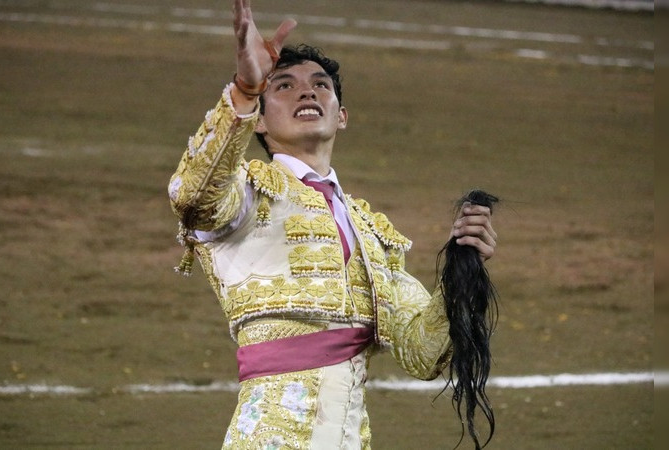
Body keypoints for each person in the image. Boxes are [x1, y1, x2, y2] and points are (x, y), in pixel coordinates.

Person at [168, 1, 497, 448]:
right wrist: (245, 90)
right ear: (260, 120)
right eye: (283, 85)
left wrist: (464, 263)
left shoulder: (371, 231)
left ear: (341, 114)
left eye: (320, 85)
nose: (307, 93)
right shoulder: (246, 193)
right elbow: (192, 196)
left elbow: (423, 352)